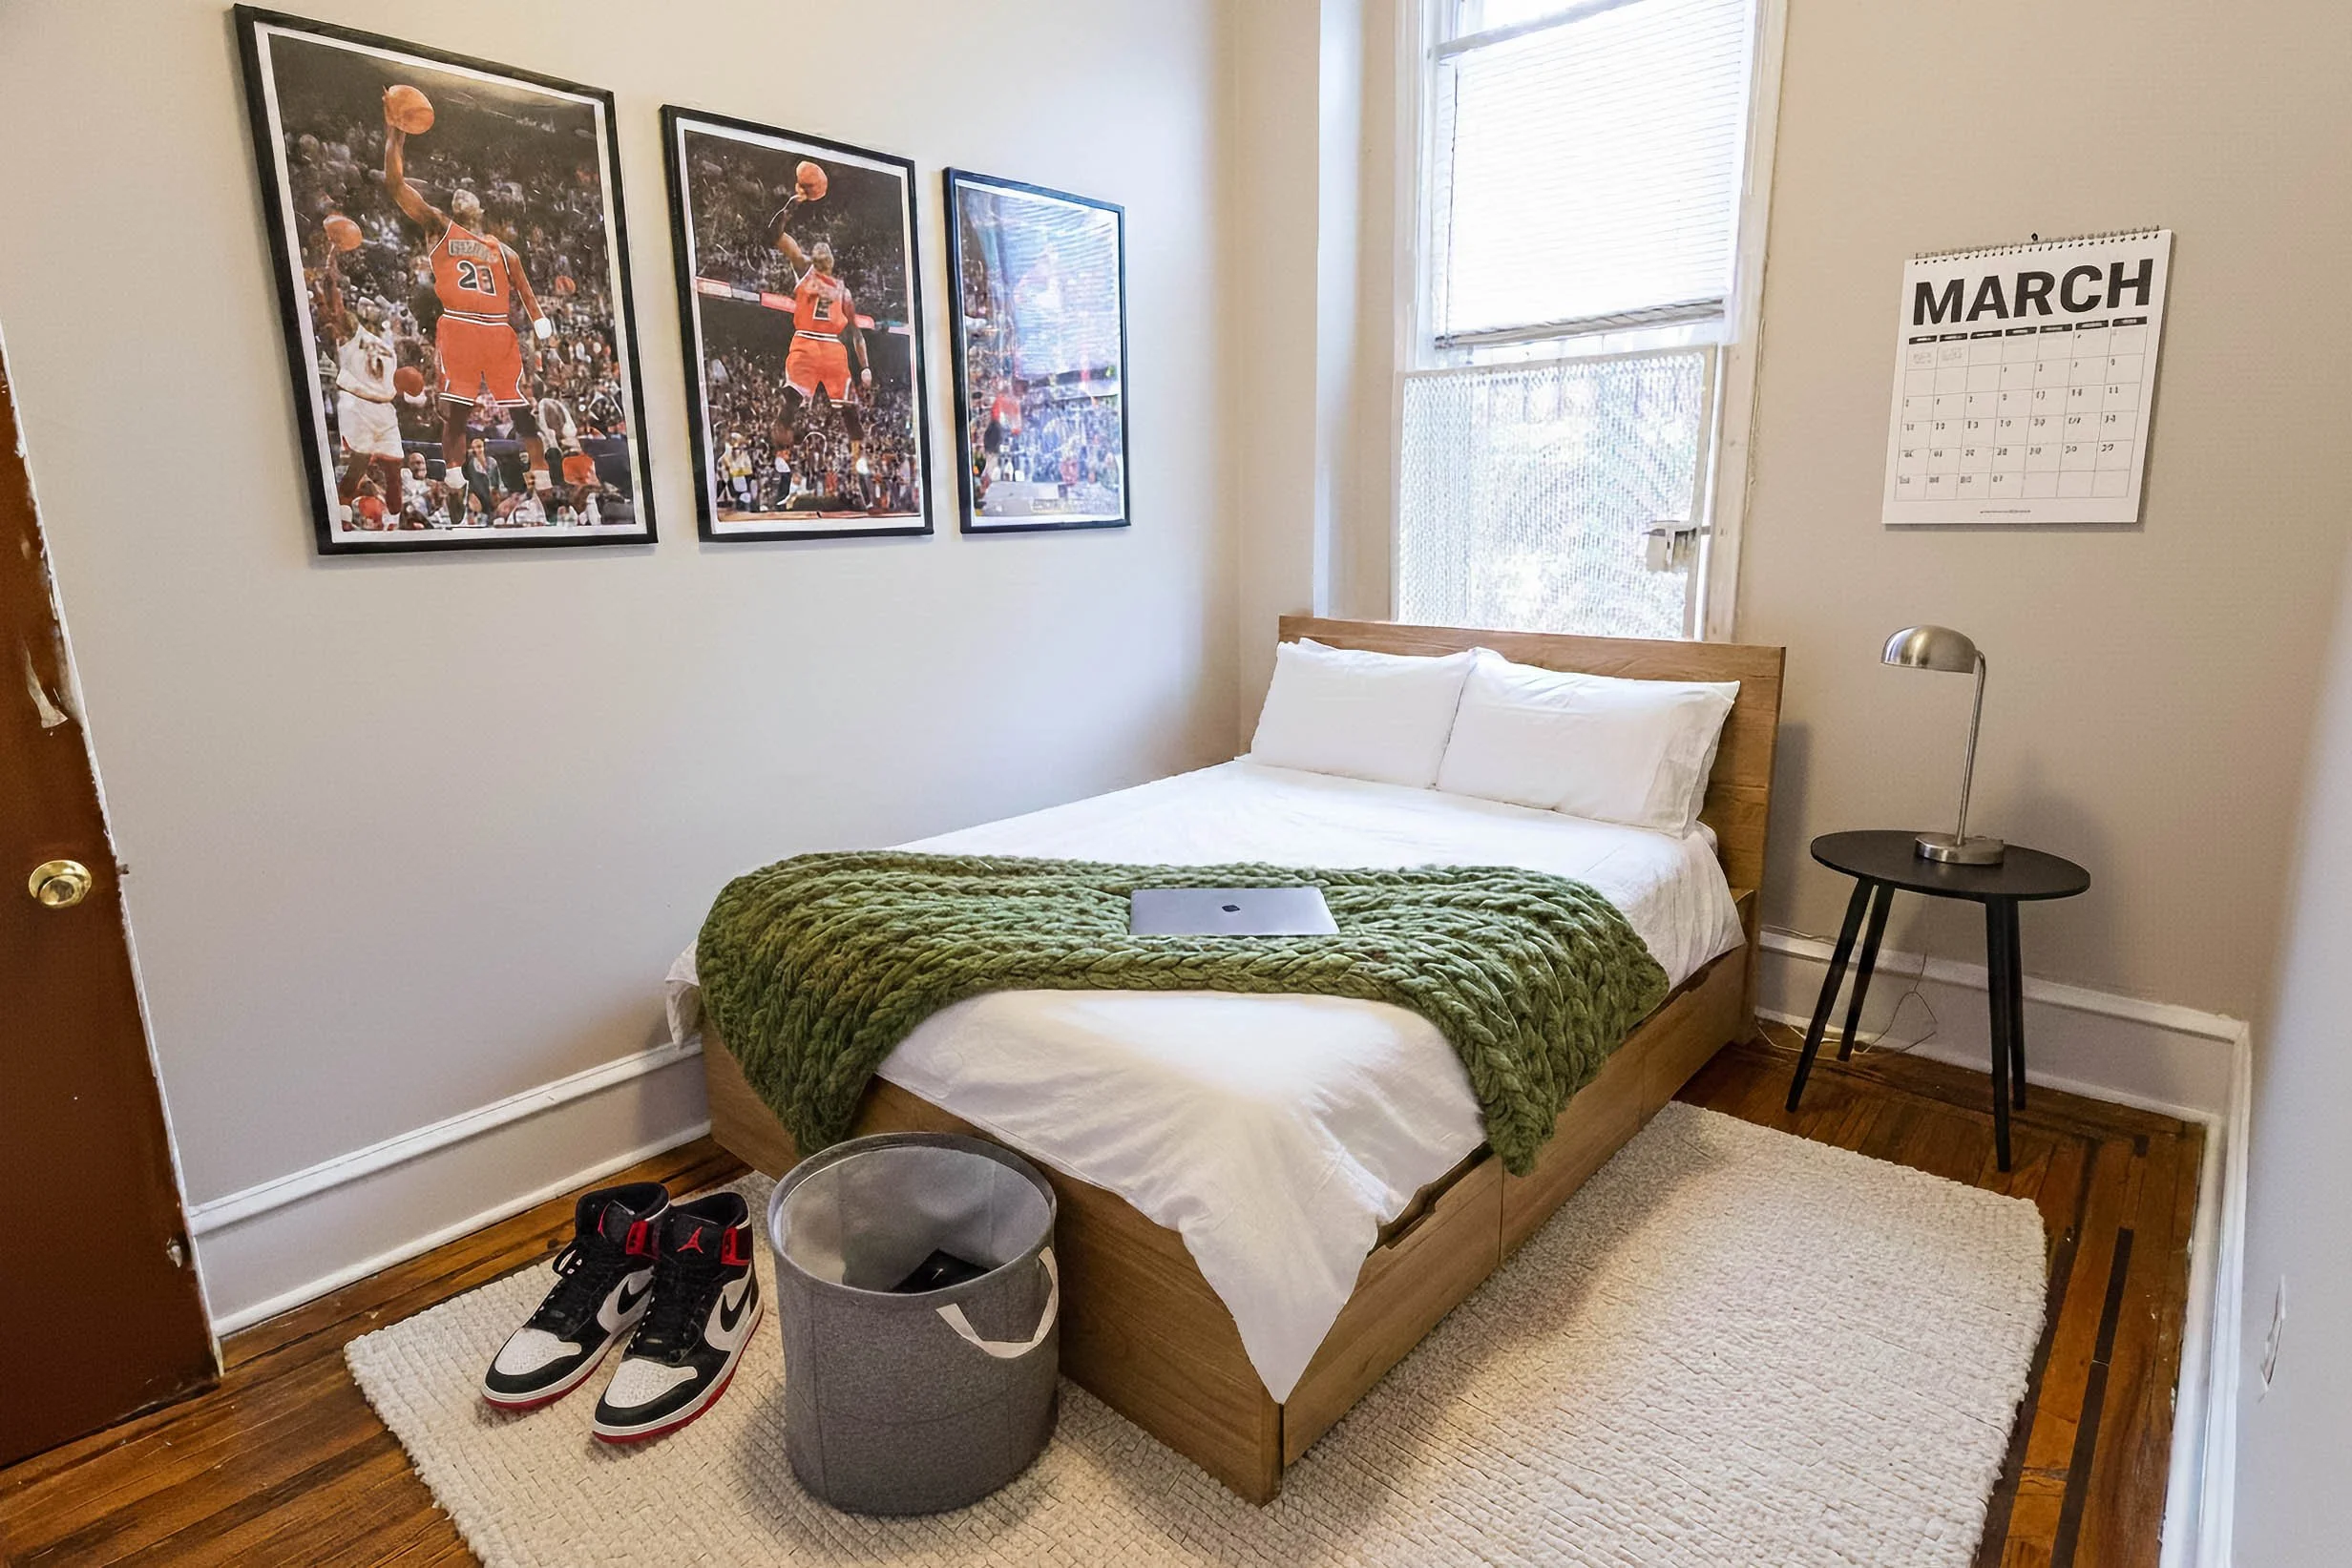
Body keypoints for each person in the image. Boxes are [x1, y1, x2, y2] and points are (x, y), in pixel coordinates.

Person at [383, 92, 557, 512]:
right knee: (455, 412)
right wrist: (396, 136)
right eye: (456, 193)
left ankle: (545, 478)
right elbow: (395, 185)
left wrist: (543, 330)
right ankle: (456, 479)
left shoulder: (503, 249)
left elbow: (528, 295)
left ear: (481, 207)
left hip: (498, 330)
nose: (461, 193)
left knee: (520, 412)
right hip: (459, 323)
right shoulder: (439, 226)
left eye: (469, 193)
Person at [765, 192, 872, 502]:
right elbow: (775, 235)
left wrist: (864, 367)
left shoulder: (842, 289)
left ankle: (861, 478)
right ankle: (782, 476)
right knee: (789, 410)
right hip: (809, 345)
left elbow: (856, 332)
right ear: (815, 256)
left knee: (851, 415)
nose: (822, 249)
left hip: (831, 350)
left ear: (831, 259)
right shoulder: (803, 269)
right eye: (818, 248)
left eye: (826, 249)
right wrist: (790, 205)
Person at [320, 247, 405, 520]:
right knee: (358, 464)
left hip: (385, 407)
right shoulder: (350, 335)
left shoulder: (388, 343)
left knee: (395, 471)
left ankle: (394, 520)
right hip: (358, 404)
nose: (372, 309)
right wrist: (330, 272)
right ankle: (342, 514)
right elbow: (337, 305)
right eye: (367, 305)